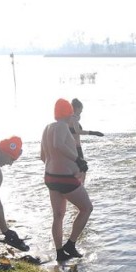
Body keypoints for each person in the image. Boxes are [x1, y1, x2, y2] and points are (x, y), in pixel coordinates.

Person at [41, 99, 94, 261]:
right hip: (65, 178)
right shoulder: (62, 126)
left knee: (58, 216)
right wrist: (77, 160)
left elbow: (43, 155)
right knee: (86, 208)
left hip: (50, 176)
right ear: (68, 113)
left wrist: (55, 167)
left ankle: (59, 253)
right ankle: (70, 244)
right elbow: (58, 145)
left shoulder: (47, 127)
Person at [69, 98, 104, 182]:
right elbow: (78, 131)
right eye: (81, 109)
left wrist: (78, 117)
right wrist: (93, 132)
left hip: (71, 147)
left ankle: (77, 187)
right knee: (83, 169)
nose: (81, 111)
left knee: (75, 169)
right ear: (77, 108)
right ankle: (81, 187)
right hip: (76, 148)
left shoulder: (69, 118)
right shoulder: (73, 118)